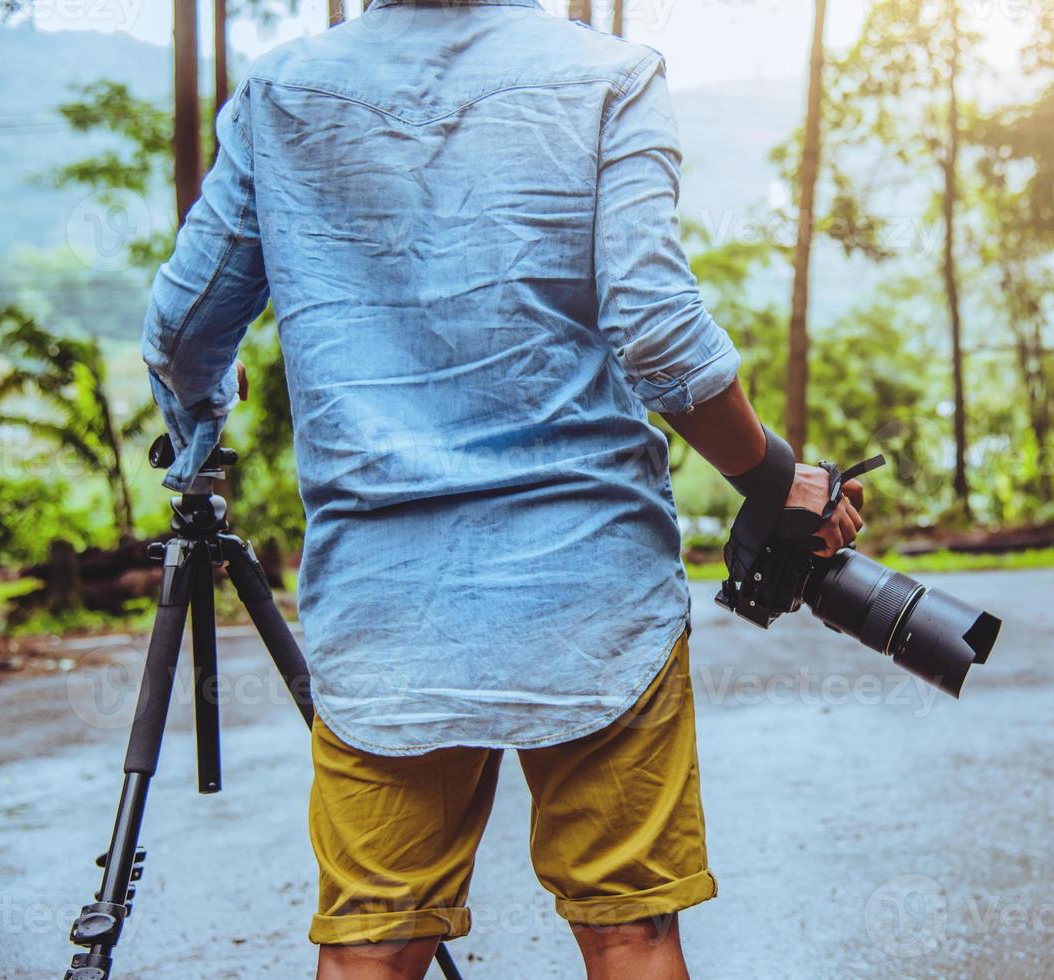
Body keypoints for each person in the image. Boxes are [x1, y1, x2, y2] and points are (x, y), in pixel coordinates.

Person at [141, 2, 863, 977]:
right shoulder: (609, 80)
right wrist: (773, 476)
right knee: (630, 933)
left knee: (373, 943)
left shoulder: (282, 95)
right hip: (592, 593)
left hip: (385, 613)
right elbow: (657, 330)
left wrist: (197, 429)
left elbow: (185, 330)